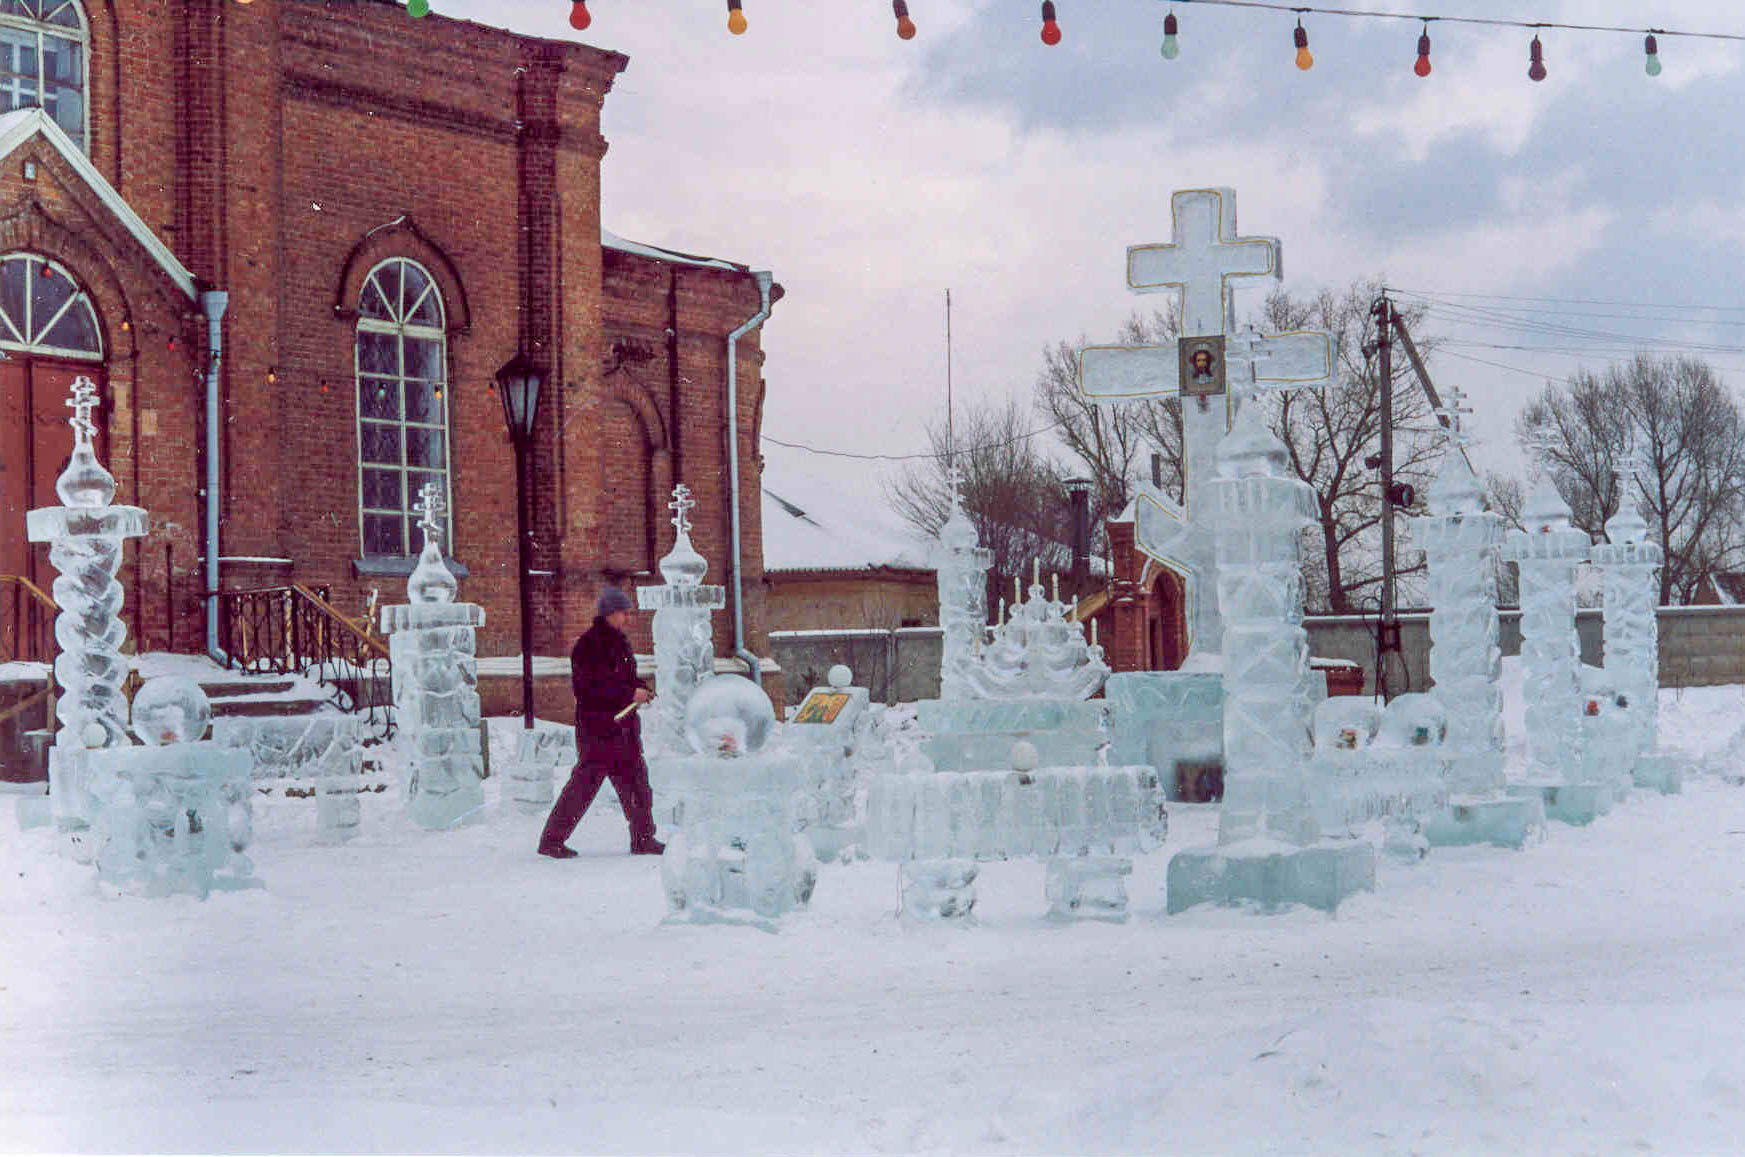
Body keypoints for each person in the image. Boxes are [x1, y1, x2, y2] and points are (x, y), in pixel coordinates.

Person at [537, 587, 664, 858]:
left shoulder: (621, 643)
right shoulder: (588, 646)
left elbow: (627, 679)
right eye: (623, 613)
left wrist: (642, 688)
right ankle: (551, 841)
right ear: (609, 613)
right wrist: (630, 694)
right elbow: (588, 689)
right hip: (598, 730)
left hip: (625, 730)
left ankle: (644, 839)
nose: (627, 618)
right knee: (583, 787)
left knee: (638, 785)